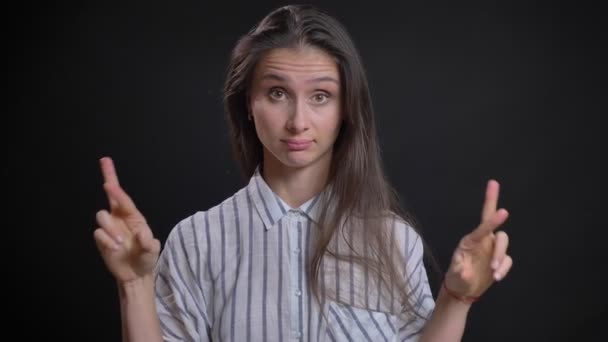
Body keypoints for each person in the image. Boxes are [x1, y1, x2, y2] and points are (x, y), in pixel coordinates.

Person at [94, 4, 512, 342]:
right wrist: (134, 285)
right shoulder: (198, 240)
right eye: (277, 93)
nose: (298, 121)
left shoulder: (393, 240)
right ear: (247, 104)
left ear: (347, 108)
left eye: (321, 96)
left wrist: (456, 298)